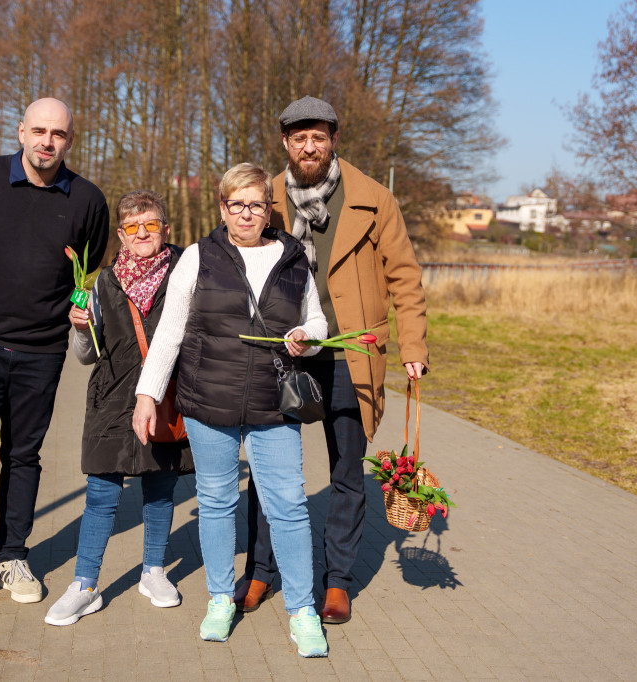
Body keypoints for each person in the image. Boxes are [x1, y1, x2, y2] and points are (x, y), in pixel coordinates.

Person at [233, 96, 429, 625]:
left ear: (333, 139)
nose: (309, 146)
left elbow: (405, 278)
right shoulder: (266, 197)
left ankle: (337, 581)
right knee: (273, 471)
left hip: (351, 349)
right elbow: (234, 261)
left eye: (318, 136)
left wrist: (413, 347)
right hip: (284, 350)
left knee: (346, 470)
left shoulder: (373, 198)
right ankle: (259, 571)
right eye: (299, 137)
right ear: (285, 143)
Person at [131, 163, 330, 657]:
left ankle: (302, 610)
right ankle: (221, 599)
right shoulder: (198, 257)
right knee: (217, 504)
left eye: (256, 204)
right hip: (208, 404)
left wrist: (309, 339)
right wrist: (146, 395)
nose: (246, 213)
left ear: (269, 210)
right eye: (236, 204)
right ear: (222, 207)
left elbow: (318, 320)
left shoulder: (293, 258)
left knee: (288, 507)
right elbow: (169, 334)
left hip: (273, 405)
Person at [0, 97, 109, 613]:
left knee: (23, 455)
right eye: (38, 131)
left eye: (58, 133)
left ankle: (12, 555)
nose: (47, 141)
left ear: (69, 140)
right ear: (21, 131)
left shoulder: (86, 199)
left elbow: (88, 263)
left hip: (41, 350)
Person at [44, 190, 193, 626]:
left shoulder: (187, 271)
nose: (142, 233)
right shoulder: (104, 282)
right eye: (132, 226)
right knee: (102, 494)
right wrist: (79, 327)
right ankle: (85, 585)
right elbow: (87, 355)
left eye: (150, 224)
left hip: (167, 398)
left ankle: (153, 571)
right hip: (111, 400)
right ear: (121, 235)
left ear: (165, 229)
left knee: (162, 489)